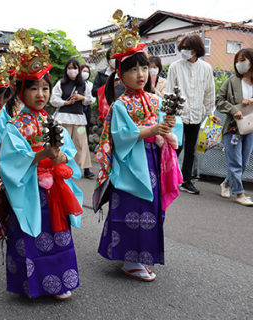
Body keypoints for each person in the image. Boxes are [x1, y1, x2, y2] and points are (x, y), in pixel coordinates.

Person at [0, 29, 83, 300]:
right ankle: (32, 285)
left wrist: (60, 156)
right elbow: (11, 161)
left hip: (53, 187)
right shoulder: (14, 125)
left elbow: (67, 149)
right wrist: (41, 155)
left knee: (58, 232)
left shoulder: (52, 119)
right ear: (19, 92)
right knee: (31, 234)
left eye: (45, 88)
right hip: (29, 187)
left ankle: (59, 280)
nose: (40, 94)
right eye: (33, 88)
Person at [94, 10, 182, 282]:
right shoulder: (120, 104)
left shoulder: (154, 100)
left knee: (151, 210)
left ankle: (141, 257)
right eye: (132, 68)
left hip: (152, 160)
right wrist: (153, 130)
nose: (141, 74)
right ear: (120, 74)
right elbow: (121, 137)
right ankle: (130, 260)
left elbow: (167, 131)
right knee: (133, 209)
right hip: (131, 164)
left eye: (144, 67)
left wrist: (166, 135)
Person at [167, 34, 221, 194]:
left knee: (190, 149)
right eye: (182, 48)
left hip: (196, 113)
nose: (184, 51)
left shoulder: (206, 68)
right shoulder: (175, 66)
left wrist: (210, 112)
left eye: (187, 48)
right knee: (176, 147)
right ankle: (167, 176)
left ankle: (186, 180)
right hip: (177, 114)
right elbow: (170, 91)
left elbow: (210, 91)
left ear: (196, 50)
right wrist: (169, 113)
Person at [216, 48, 253, 206]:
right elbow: (219, 100)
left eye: (243, 60)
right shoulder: (232, 80)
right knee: (235, 162)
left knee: (243, 162)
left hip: (250, 128)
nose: (239, 64)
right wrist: (234, 110)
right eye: (237, 61)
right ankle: (240, 194)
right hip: (233, 128)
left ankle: (226, 184)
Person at [51, 58, 95, 178]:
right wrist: (66, 103)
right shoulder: (61, 83)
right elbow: (53, 100)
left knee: (82, 143)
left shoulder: (84, 85)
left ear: (78, 70)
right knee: (63, 142)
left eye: (75, 68)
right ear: (66, 70)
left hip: (79, 119)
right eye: (69, 68)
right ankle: (61, 166)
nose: (72, 71)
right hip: (64, 118)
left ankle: (86, 168)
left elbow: (91, 99)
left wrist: (82, 98)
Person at [80, 64, 95, 136]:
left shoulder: (90, 85)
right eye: (84, 71)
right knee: (78, 129)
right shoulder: (76, 84)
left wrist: (84, 98)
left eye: (87, 72)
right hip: (78, 109)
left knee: (86, 128)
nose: (86, 73)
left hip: (87, 109)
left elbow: (92, 99)